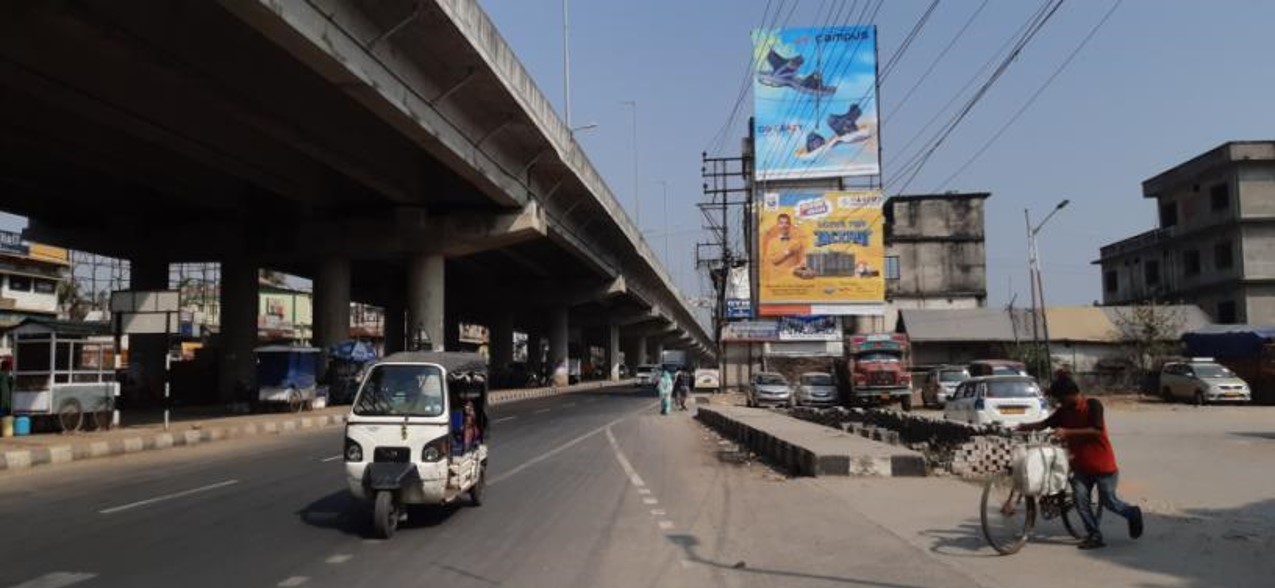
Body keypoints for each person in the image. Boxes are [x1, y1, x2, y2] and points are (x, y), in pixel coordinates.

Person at [1018, 370, 1144, 549]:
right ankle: (1094, 535)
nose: (1059, 402)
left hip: (1103, 466)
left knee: (1110, 502)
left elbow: (1097, 430)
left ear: (1070, 395)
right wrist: (1024, 427)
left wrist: (1067, 432)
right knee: (1080, 499)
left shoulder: (1093, 405)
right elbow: (1045, 424)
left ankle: (1132, 513)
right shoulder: (1064, 412)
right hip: (1081, 467)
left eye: (1061, 398)